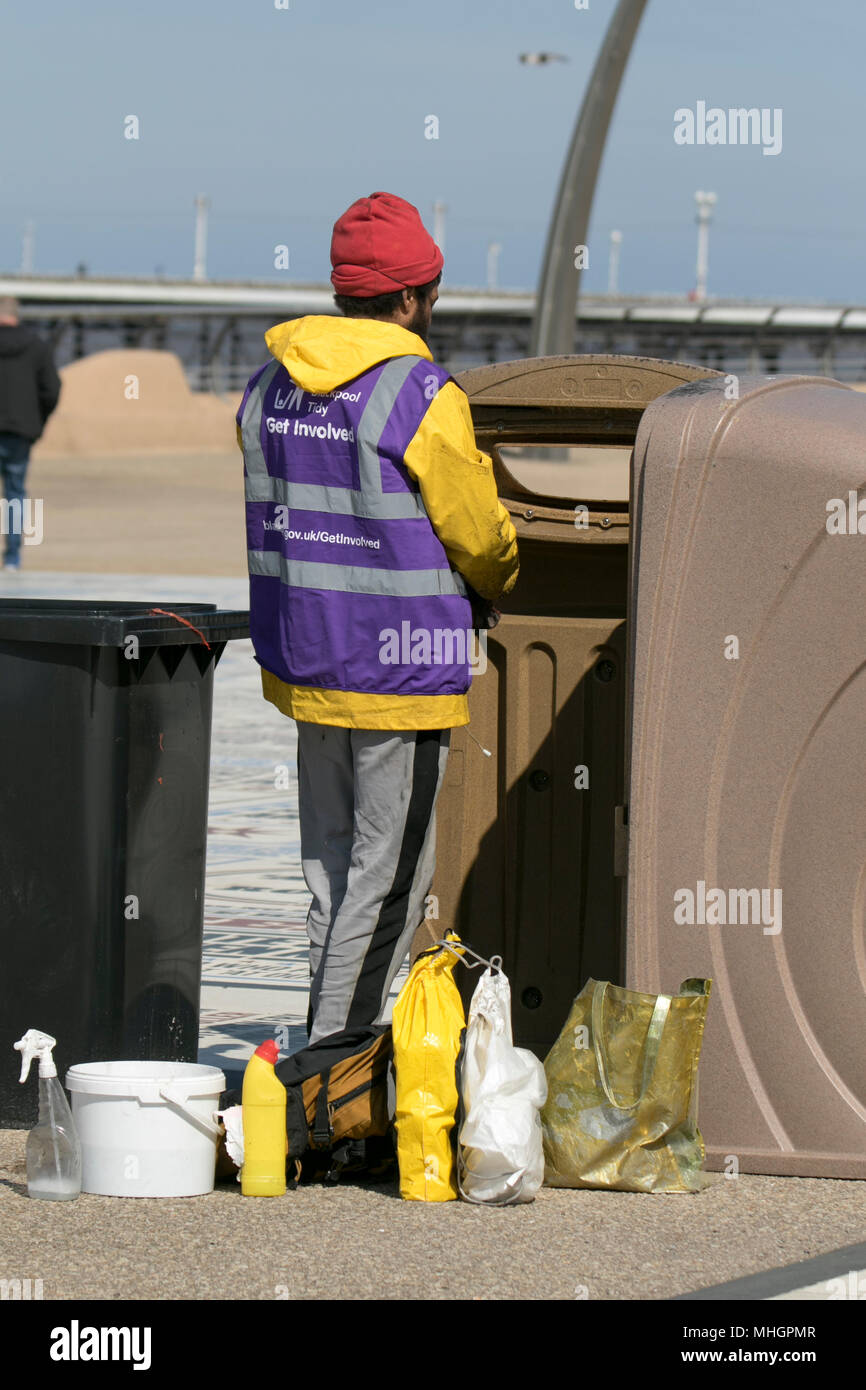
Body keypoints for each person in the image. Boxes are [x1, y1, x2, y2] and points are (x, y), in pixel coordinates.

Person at [237, 191, 518, 1045]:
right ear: (409, 299)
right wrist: (504, 569)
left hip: (306, 662)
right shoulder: (420, 392)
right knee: (390, 881)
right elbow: (478, 534)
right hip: (400, 675)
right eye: (431, 293)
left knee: (329, 875)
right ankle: (327, 1077)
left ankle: (320, 1052)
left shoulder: (268, 386)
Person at [0, 297, 61, 572]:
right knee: (15, 494)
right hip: (20, 430)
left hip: (18, 428)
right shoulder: (37, 346)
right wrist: (37, 421)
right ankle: (13, 558)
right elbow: (52, 389)